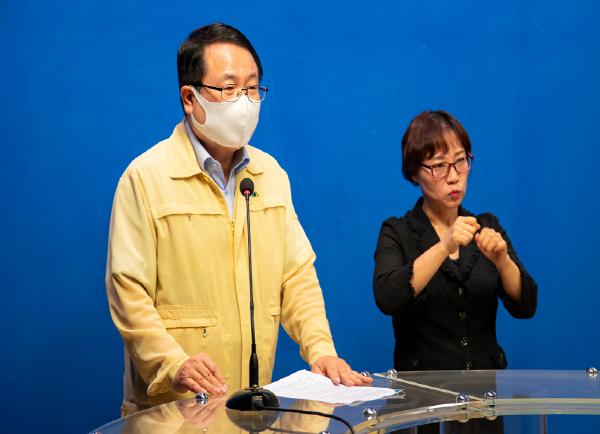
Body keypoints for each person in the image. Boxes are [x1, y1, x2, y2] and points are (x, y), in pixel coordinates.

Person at [106, 23, 371, 415]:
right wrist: (173, 363)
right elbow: (128, 293)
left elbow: (296, 277)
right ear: (190, 98)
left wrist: (321, 350)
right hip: (172, 409)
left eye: (252, 88)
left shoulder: (270, 175)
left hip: (249, 406)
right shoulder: (146, 178)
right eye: (229, 89)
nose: (245, 102)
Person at [373, 110, 537, 373]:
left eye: (460, 161)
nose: (453, 176)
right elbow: (387, 297)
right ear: (414, 173)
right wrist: (444, 247)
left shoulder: (486, 226)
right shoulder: (397, 231)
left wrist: (503, 261)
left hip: (485, 391)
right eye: (439, 166)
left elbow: (526, 306)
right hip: (423, 393)